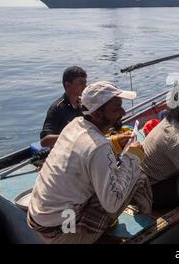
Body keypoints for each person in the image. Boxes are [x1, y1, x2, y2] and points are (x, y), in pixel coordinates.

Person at [27, 82, 152, 244]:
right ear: (98, 115)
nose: (123, 112)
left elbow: (86, 149)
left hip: (39, 219)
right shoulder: (99, 147)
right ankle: (150, 225)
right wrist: (132, 157)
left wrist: (113, 142)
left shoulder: (75, 124)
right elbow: (112, 204)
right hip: (62, 231)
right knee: (138, 176)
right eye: (116, 109)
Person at [40, 66, 87, 148]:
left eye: (85, 82)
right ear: (68, 85)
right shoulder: (57, 108)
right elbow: (45, 141)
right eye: (81, 83)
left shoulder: (83, 103)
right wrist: (75, 137)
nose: (85, 86)